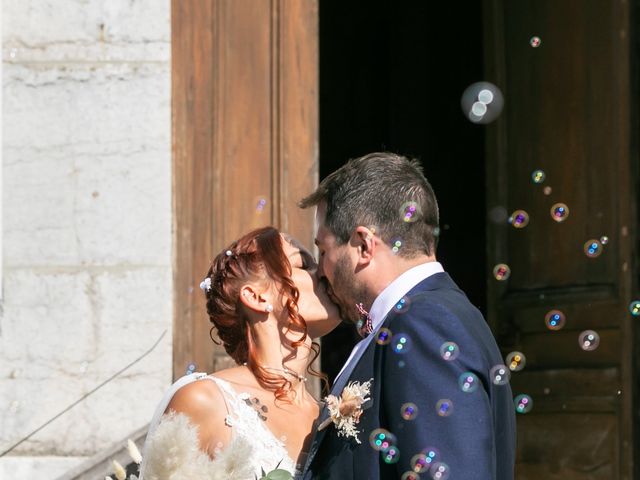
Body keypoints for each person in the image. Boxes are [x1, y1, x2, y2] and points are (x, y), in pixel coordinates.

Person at [299, 152, 516, 479]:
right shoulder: (432, 314)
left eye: (324, 250)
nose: (322, 269)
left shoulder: (423, 324)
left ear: (363, 245)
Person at [140, 226, 342, 480]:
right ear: (255, 296)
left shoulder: (332, 416)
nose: (323, 273)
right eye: (304, 265)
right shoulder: (206, 401)